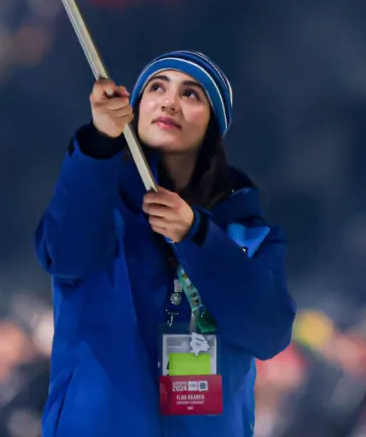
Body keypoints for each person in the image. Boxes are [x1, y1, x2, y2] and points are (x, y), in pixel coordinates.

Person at [34, 51, 297, 436]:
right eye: (157, 87)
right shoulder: (99, 198)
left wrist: (198, 236)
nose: (169, 101)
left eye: (191, 94)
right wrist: (97, 145)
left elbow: (268, 333)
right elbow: (64, 256)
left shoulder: (246, 233)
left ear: (213, 125)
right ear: (136, 109)